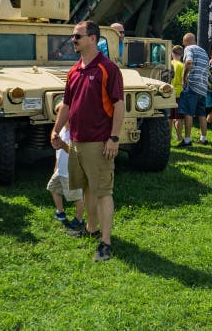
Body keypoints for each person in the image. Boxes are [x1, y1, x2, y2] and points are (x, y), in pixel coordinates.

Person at [50, 20, 124, 262]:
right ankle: (91, 229)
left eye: (78, 36)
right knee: (87, 188)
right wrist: (56, 129)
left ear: (93, 39)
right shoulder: (74, 71)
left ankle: (105, 242)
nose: (74, 40)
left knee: (102, 191)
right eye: (73, 36)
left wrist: (113, 137)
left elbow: (119, 106)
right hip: (76, 141)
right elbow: (67, 105)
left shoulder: (108, 68)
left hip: (99, 141)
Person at [47, 104, 85, 230]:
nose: (63, 120)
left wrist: (63, 145)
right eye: (59, 116)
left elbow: (77, 153)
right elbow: (58, 152)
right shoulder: (62, 130)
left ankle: (79, 219)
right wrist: (56, 166)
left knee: (77, 198)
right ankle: (60, 211)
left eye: (66, 117)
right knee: (53, 188)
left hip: (71, 173)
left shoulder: (76, 134)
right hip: (60, 171)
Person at [178, 33, 210, 148]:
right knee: (201, 113)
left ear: (186, 41)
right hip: (203, 87)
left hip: (192, 85)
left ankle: (187, 140)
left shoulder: (189, 48)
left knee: (188, 112)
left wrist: (184, 78)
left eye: (183, 42)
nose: (183, 44)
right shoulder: (204, 52)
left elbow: (188, 62)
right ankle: (203, 138)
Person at [169, 45, 184, 143]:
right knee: (179, 118)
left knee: (169, 117)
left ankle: (168, 136)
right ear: (182, 54)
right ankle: (179, 137)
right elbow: (184, 80)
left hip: (168, 92)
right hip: (179, 93)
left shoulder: (168, 64)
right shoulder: (182, 65)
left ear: (171, 53)